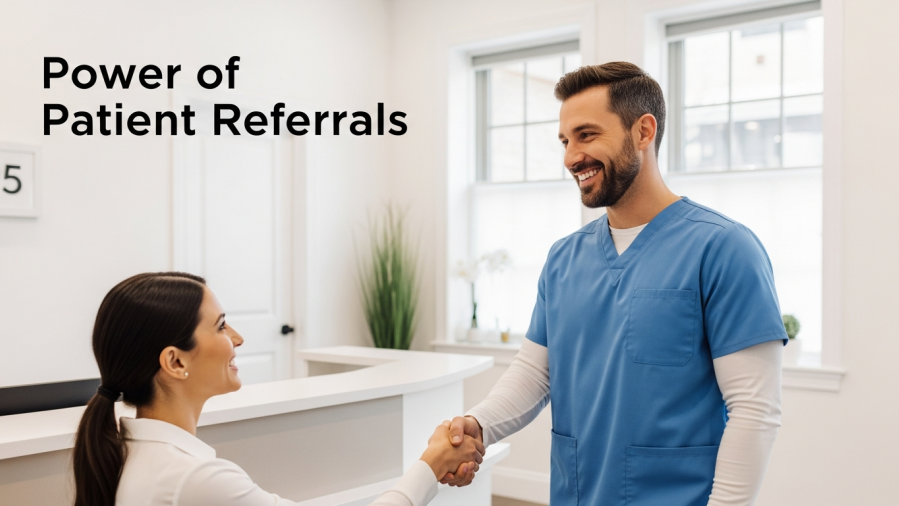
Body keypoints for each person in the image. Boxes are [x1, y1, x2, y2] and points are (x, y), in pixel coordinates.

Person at [440, 62, 786, 506]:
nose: (570, 157)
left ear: (643, 132)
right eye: (565, 141)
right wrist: (478, 424)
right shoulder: (564, 257)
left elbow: (755, 410)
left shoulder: (724, 249)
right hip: (577, 493)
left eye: (587, 135)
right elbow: (535, 373)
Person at [73, 272, 483, 506]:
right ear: (175, 362)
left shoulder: (133, 451)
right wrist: (431, 464)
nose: (237, 338)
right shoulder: (193, 477)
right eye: (220, 326)